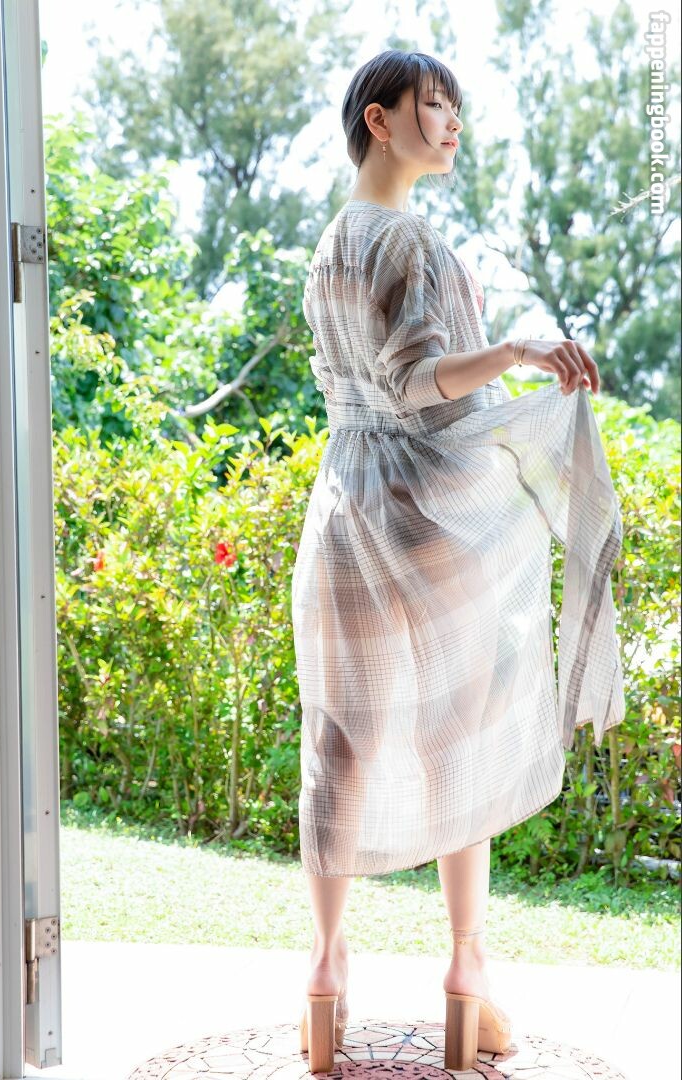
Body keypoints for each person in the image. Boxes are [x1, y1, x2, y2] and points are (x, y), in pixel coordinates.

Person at [292, 49, 625, 1074]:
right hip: (424, 511)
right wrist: (519, 355)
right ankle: (466, 967)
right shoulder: (409, 240)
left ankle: (326, 968)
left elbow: (366, 394)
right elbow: (418, 384)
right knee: (459, 736)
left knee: (339, 742)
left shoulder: (329, 248)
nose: (451, 124)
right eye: (433, 105)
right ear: (378, 119)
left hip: (342, 505)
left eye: (453, 109)